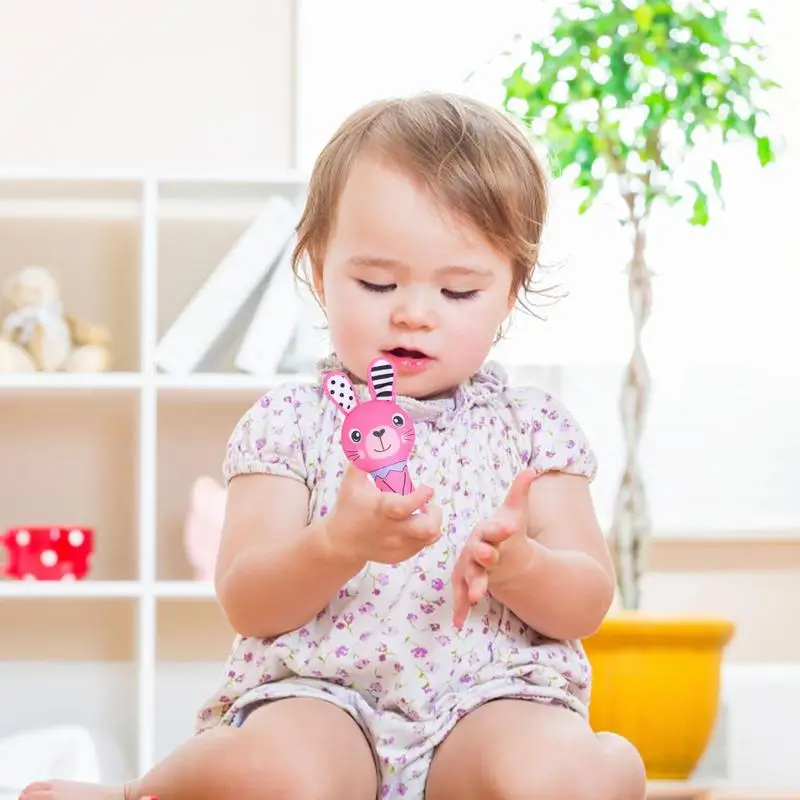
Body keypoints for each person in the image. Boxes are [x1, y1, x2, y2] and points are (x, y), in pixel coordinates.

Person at [20, 92, 646, 800]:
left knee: (566, 775)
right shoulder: (290, 421)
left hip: (492, 700)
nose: (413, 311)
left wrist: (521, 565)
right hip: (322, 699)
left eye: (460, 291)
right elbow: (248, 600)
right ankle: (138, 794)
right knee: (272, 771)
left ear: (508, 295)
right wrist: (338, 543)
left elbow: (588, 601)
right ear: (319, 271)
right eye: (377, 281)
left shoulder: (534, 427)